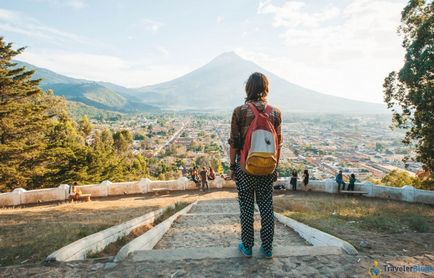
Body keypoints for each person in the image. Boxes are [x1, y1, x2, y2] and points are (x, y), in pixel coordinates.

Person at [228, 72, 282, 259]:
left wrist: (232, 167)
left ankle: (247, 246)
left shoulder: (239, 111)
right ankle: (267, 248)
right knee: (267, 207)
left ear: (248, 88)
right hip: (268, 168)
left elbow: (234, 143)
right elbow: (278, 144)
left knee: (246, 207)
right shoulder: (275, 113)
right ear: (266, 88)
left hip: (245, 168)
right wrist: (275, 167)